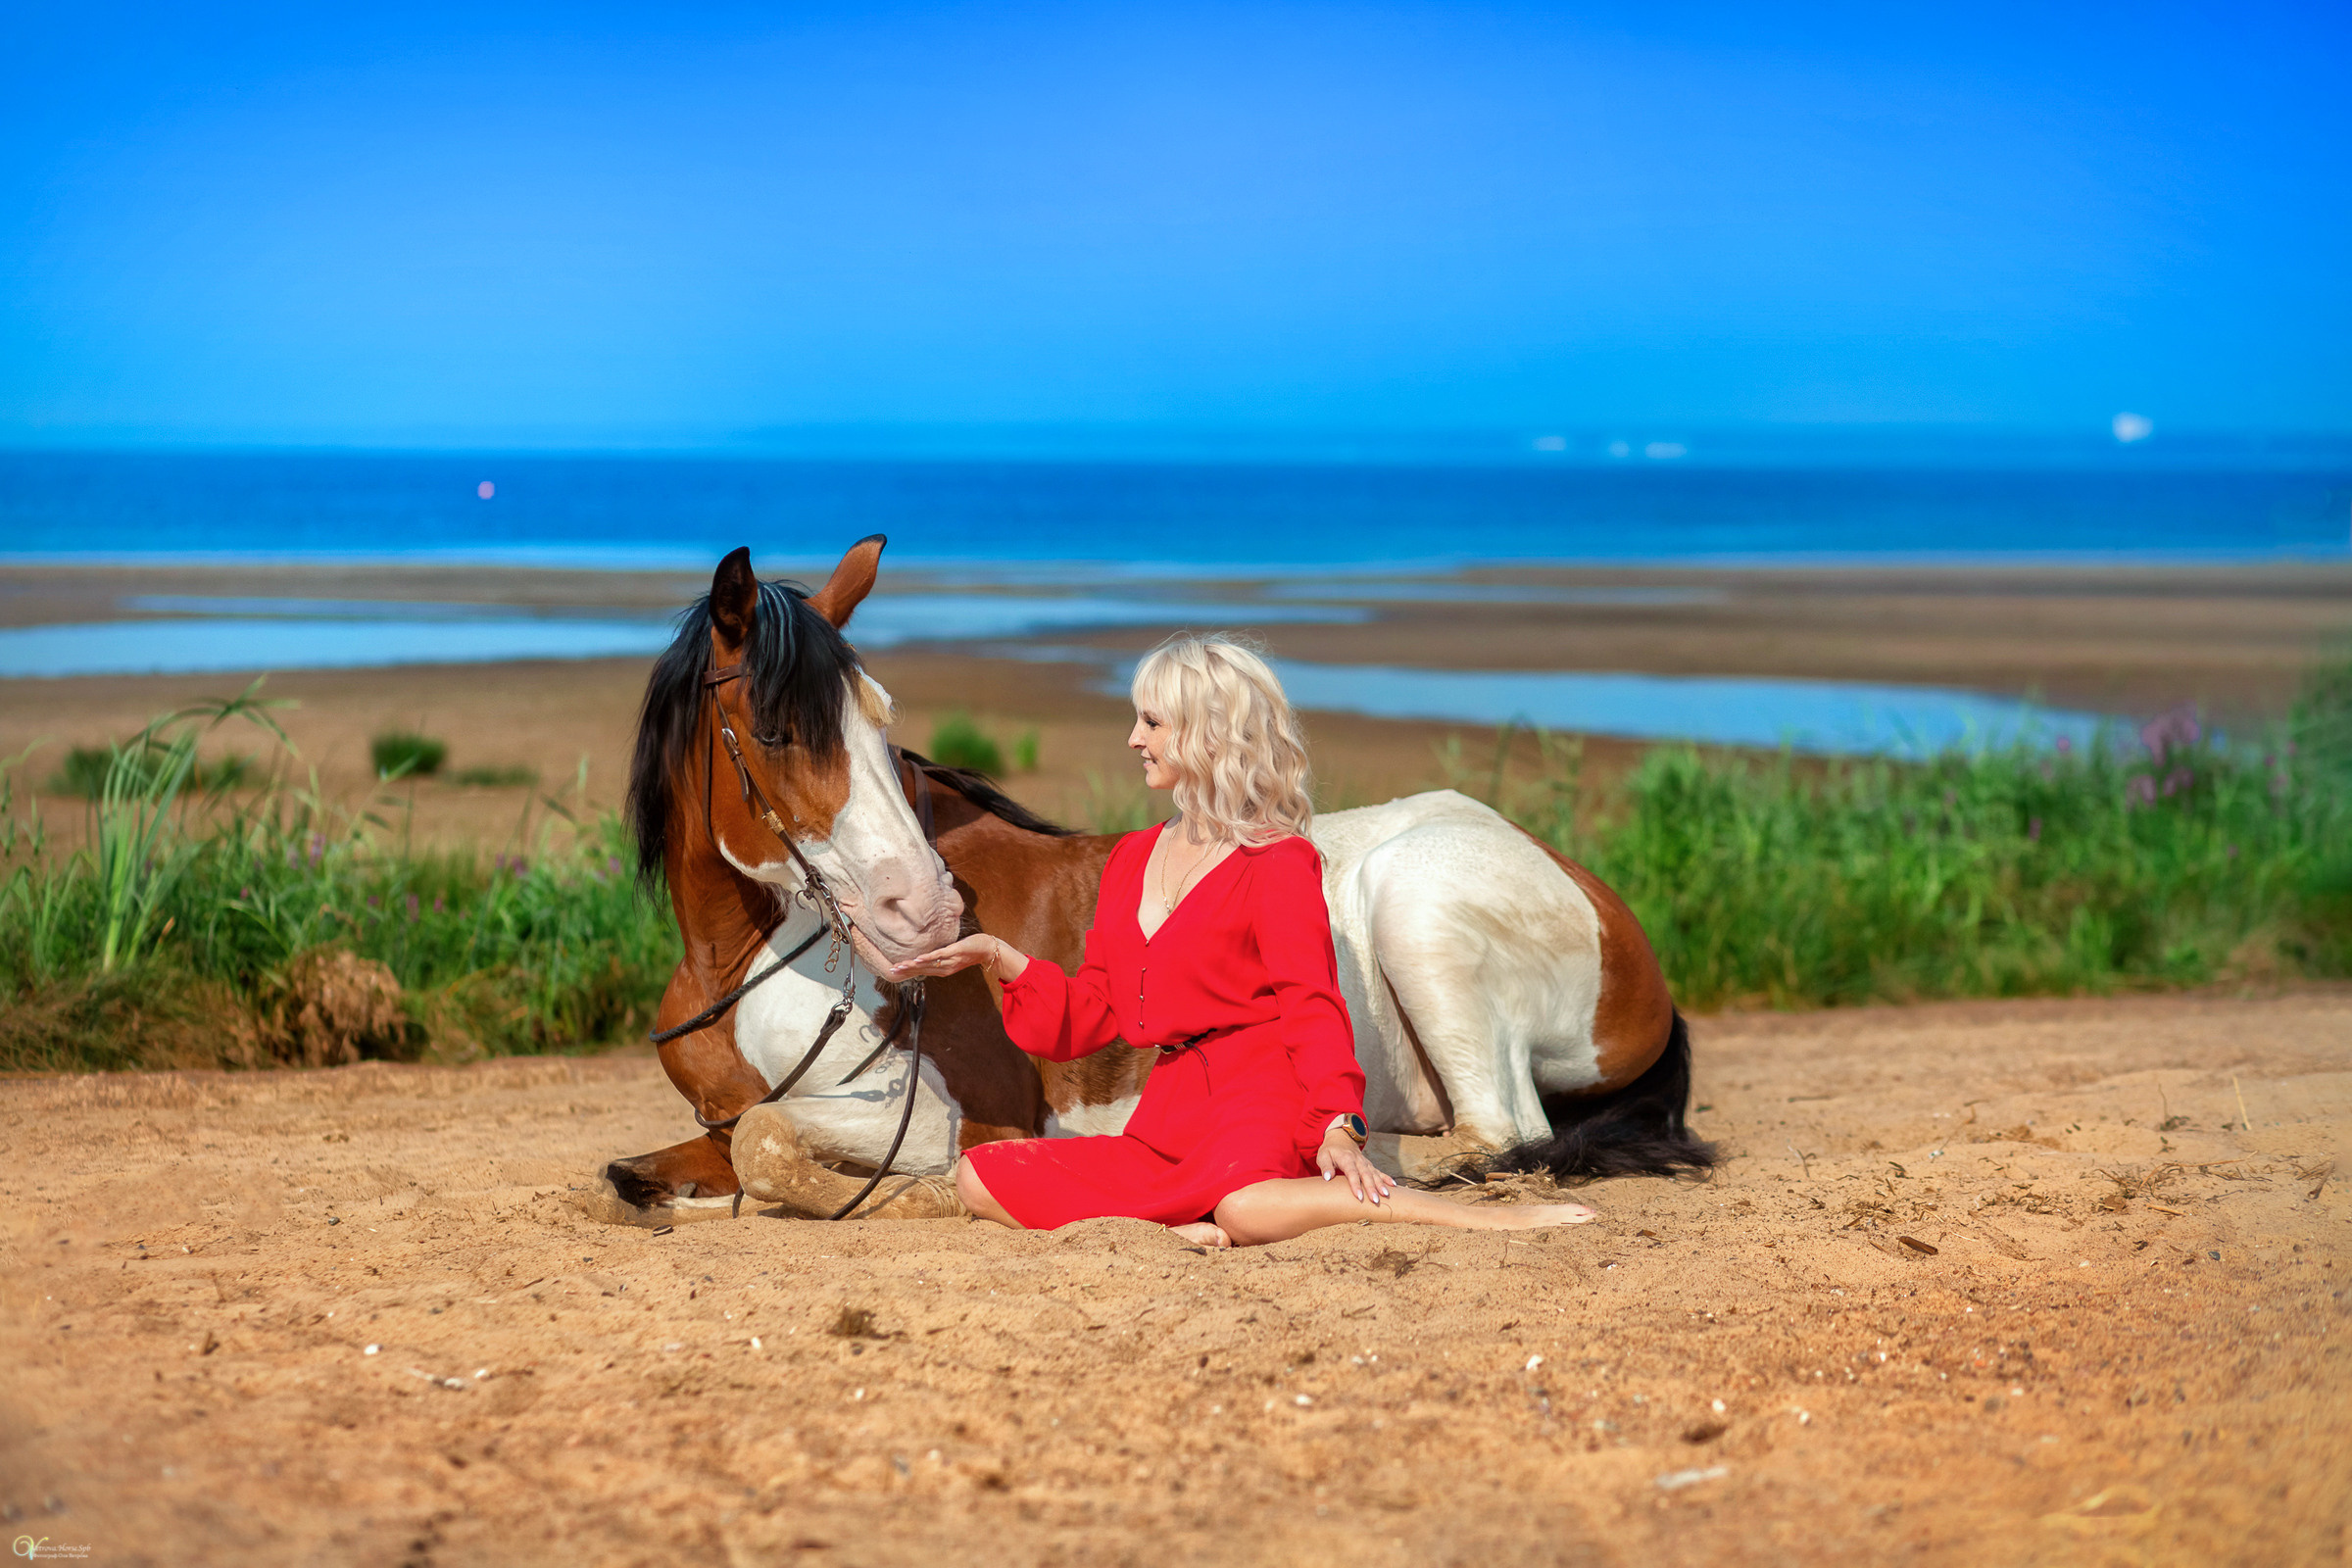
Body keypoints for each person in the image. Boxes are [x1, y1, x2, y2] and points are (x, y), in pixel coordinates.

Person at [890, 632, 1596, 1248]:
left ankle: (1462, 1218)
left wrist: (1338, 1124)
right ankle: (1179, 1224)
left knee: (1247, 1204)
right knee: (980, 1175)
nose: (1134, 739)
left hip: (1259, 1099)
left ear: (1205, 733)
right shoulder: (1134, 857)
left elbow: (1312, 1003)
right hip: (1167, 1115)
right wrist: (1000, 957)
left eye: (1152, 722)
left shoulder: (1278, 861)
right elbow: (1097, 1009)